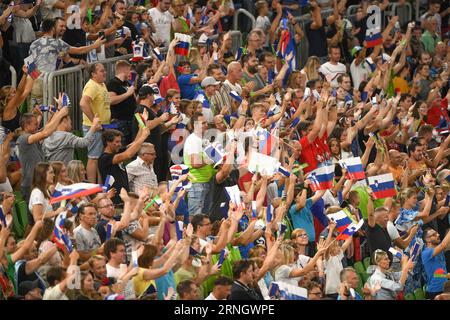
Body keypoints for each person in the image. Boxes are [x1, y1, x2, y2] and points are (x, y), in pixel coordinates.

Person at [17, 107, 69, 202]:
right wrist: (60, 114)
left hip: (38, 183)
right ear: (26, 125)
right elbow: (45, 133)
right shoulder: (23, 139)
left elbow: (47, 128)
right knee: (34, 215)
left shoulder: (32, 136)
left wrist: (58, 111)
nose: (38, 126)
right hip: (29, 185)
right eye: (35, 124)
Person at [98, 128, 149, 205]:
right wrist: (143, 137)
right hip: (114, 203)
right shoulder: (104, 158)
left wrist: (141, 128)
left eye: (120, 141)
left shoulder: (117, 152)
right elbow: (129, 154)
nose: (120, 144)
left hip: (124, 201)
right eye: (117, 142)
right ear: (108, 142)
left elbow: (134, 144)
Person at [79, 63, 111, 183]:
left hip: (103, 127)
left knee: (100, 158)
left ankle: (100, 186)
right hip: (94, 128)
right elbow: (83, 103)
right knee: (93, 157)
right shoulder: (91, 86)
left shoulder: (101, 84)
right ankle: (92, 188)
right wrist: (94, 122)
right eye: (102, 71)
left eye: (104, 70)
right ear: (93, 74)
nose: (105, 73)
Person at [183, 112, 216, 216]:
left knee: (204, 217)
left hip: (205, 182)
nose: (206, 125)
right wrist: (211, 160)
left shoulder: (202, 139)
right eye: (203, 123)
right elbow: (195, 163)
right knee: (195, 217)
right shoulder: (193, 140)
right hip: (197, 183)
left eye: (206, 122)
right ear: (195, 125)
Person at [107, 60, 137, 146]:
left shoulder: (126, 83)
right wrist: (127, 94)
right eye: (129, 71)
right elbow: (111, 100)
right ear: (124, 70)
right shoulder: (113, 83)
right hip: (120, 120)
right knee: (122, 146)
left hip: (130, 119)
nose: (130, 74)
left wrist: (132, 90)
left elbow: (134, 100)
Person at [422, 228, 450, 299]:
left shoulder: (439, 251)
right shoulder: (426, 253)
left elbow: (437, 274)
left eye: (437, 233)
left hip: (444, 288)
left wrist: (447, 276)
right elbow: (443, 245)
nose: (438, 235)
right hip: (434, 291)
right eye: (434, 235)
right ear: (427, 239)